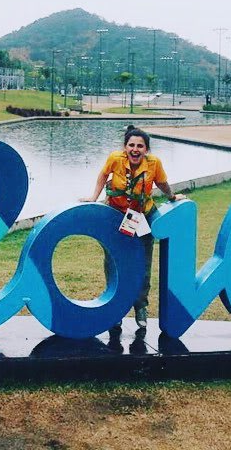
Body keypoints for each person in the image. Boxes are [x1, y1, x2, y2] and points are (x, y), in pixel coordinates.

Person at [80, 125, 183, 331]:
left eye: (140, 146)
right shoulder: (115, 159)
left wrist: (172, 196)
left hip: (142, 215)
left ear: (146, 150)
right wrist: (94, 197)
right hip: (116, 215)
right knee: (113, 261)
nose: (135, 149)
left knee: (144, 263)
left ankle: (141, 306)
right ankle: (115, 308)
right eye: (131, 145)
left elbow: (162, 183)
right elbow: (102, 176)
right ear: (125, 147)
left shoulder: (154, 163)